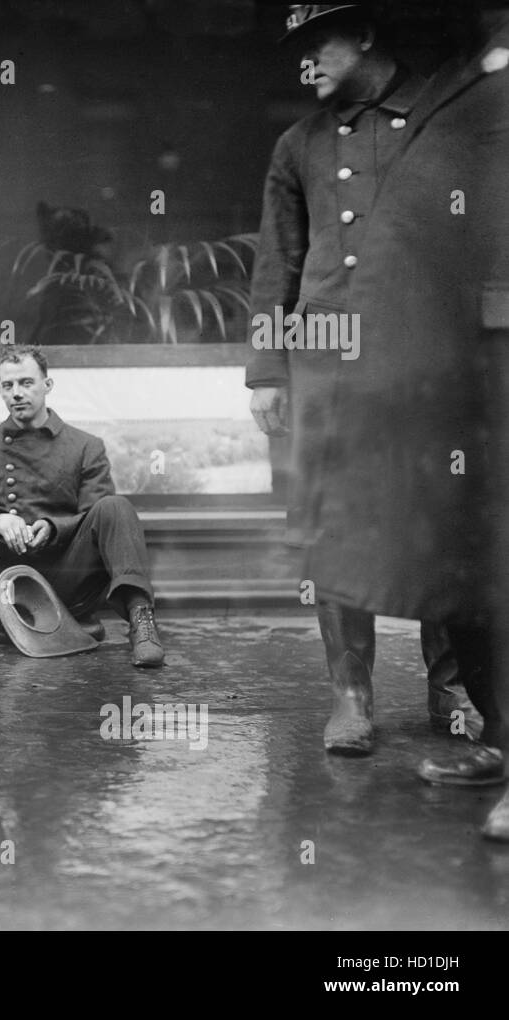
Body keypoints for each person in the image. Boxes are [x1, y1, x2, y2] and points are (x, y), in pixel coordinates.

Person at [246, 3, 479, 754]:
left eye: (318, 41)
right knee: (332, 523)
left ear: (368, 36)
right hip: (324, 363)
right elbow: (275, 263)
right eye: (296, 49)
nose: (304, 60)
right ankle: (351, 696)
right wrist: (266, 372)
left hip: (424, 355)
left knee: (438, 516)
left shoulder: (442, 120)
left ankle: (456, 689)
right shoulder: (298, 144)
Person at [315, 2, 509, 840]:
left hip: (486, 367)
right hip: (432, 372)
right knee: (459, 558)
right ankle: (498, 737)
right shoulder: (459, 89)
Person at [0, 344, 164, 669]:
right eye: (8, 385)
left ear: (48, 385)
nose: (16, 393)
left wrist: (54, 527)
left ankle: (141, 623)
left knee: (115, 507)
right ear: (0, 390)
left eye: (26, 383)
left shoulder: (85, 447)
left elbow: (95, 513)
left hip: (63, 581)